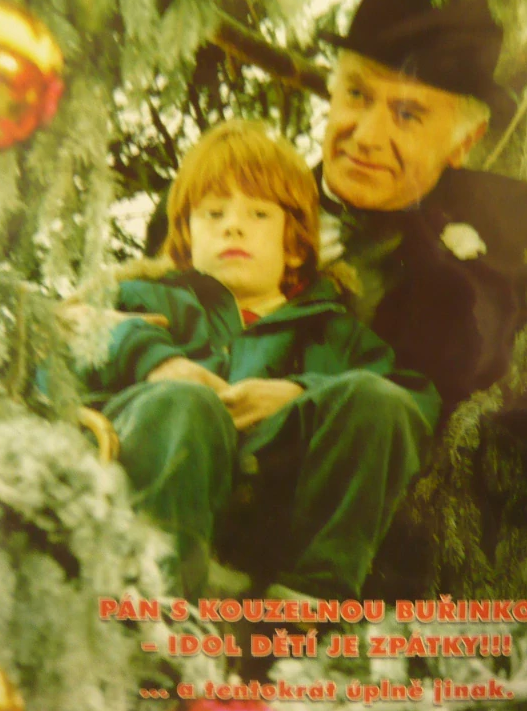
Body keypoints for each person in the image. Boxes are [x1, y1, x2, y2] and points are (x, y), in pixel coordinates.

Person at [83, 119, 441, 601]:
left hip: (274, 523)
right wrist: (153, 360)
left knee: (378, 398)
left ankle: (307, 601)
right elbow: (55, 359)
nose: (233, 225)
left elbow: (414, 401)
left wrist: (300, 392)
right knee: (185, 403)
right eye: (213, 213)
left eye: (257, 214)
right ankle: (158, 600)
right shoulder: (138, 298)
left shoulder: (332, 331)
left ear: (293, 246)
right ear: (186, 238)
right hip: (160, 507)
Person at [318, 0, 527, 412]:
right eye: (357, 93)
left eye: (407, 114)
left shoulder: (502, 219)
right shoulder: (240, 198)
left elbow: (479, 377)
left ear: (465, 142)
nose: (366, 136)